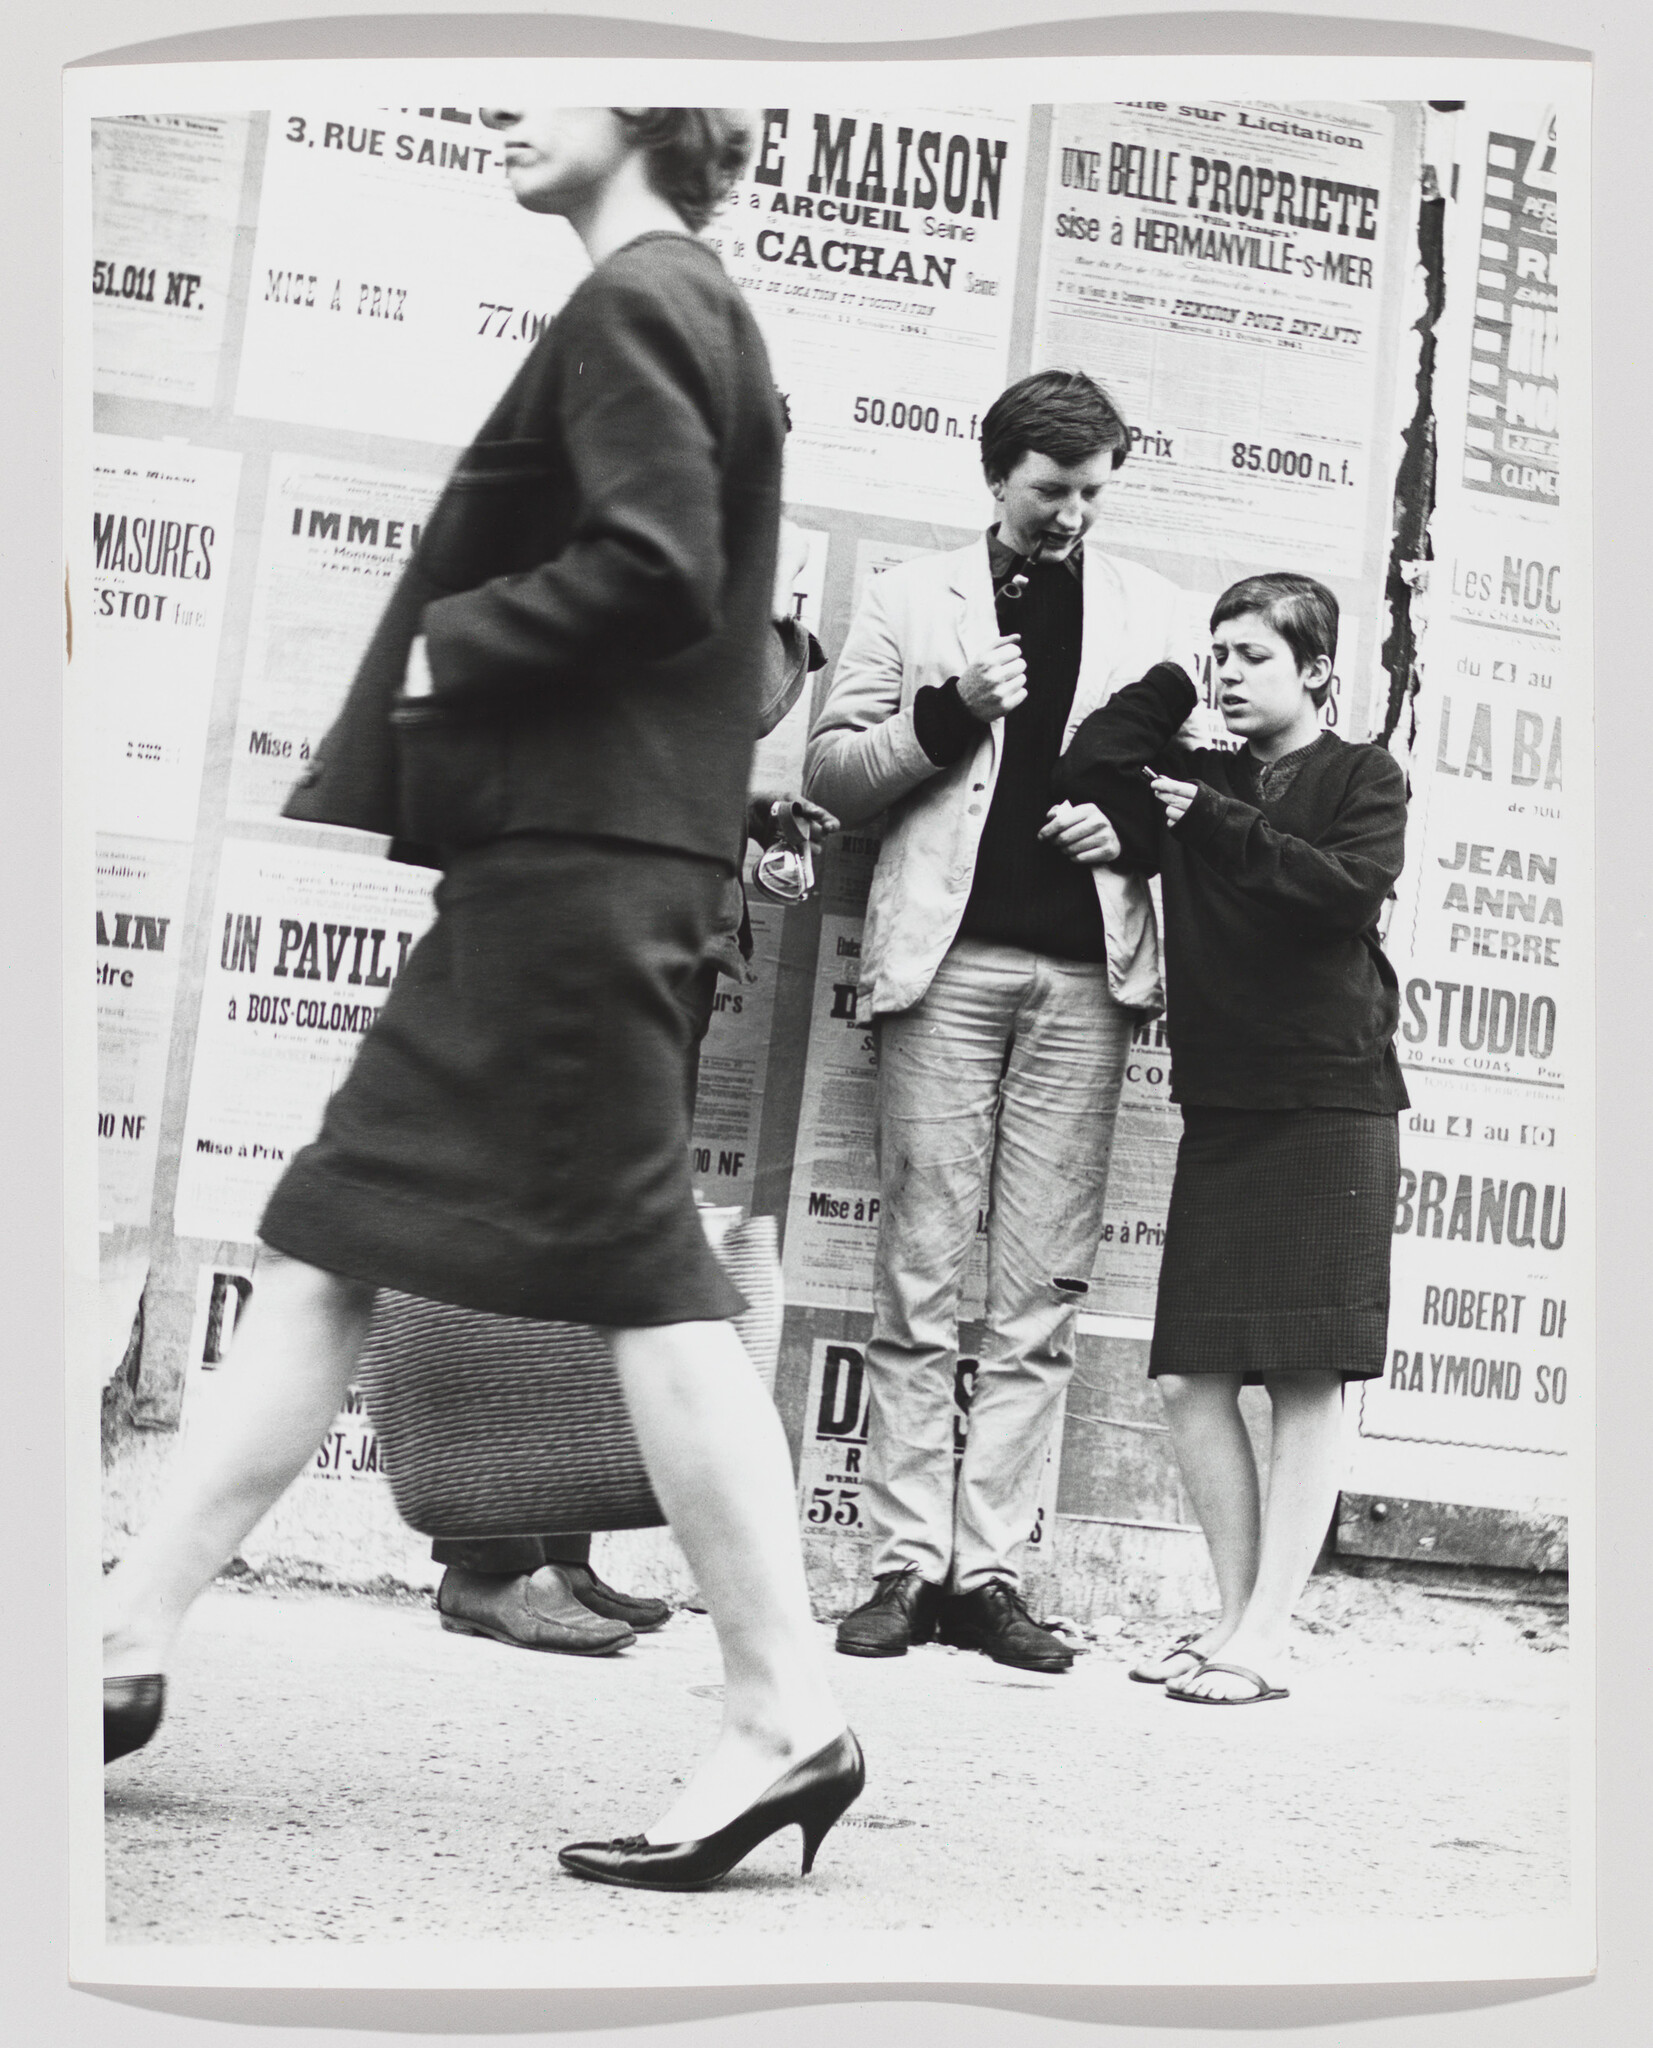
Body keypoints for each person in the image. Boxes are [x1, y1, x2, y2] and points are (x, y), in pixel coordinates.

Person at [102, 104, 862, 1891]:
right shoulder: (676, 299)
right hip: (567, 864)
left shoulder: (641, 296)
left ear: (642, 108)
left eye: (551, 69)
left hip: (585, 868)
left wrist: (453, 641)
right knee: (334, 1229)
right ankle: (117, 1635)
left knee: (647, 1286)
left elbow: (659, 563)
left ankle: (782, 1706)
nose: (511, 102)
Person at [804, 370, 1203, 1673]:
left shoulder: (1154, 613)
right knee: (920, 1276)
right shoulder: (914, 598)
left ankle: (991, 1574)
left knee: (1037, 1292)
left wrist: (1131, 825)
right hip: (948, 965)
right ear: (996, 479)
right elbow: (833, 776)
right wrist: (951, 712)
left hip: (1087, 981)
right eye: (1050, 491)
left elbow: (1198, 788)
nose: (1072, 516)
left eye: (1093, 492)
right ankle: (906, 1568)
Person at [1053, 573, 1409, 1705]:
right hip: (1228, 1098)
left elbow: (1342, 894)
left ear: (1316, 670)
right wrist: (1169, 683)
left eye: (1252, 653)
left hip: (1331, 1094)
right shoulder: (1190, 775)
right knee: (1188, 1380)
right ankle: (1234, 1620)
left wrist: (1211, 816)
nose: (1228, 671)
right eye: (1217, 652)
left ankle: (1263, 1632)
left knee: (1309, 1374)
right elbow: (1088, 767)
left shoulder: (1363, 773)